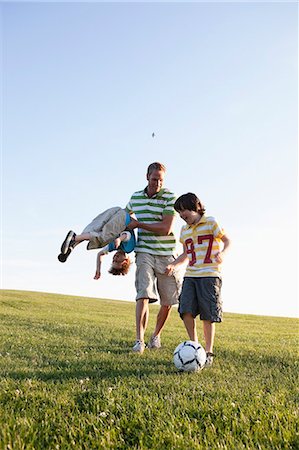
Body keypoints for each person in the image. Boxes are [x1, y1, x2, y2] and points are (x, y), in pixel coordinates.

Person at [165, 192, 230, 367]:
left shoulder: (211, 222)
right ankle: (195, 346)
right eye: (179, 213)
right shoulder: (184, 231)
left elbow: (227, 240)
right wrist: (174, 264)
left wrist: (222, 253)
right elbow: (186, 253)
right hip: (190, 275)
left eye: (183, 211)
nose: (181, 216)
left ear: (195, 207)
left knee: (208, 314)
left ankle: (208, 352)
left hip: (209, 275)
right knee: (185, 309)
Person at [126, 162, 181, 354]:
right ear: (147, 177)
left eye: (160, 180)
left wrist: (139, 224)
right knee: (143, 293)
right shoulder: (135, 198)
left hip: (166, 254)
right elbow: (125, 219)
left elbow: (166, 228)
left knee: (167, 301)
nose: (157, 183)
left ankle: (156, 335)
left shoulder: (169, 197)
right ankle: (139, 341)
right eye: (154, 179)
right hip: (144, 251)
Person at [57, 206, 136, 277]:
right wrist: (119, 239)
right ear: (125, 261)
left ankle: (73, 244)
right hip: (122, 218)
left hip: (115, 212)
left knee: (94, 230)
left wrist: (98, 270)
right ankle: (74, 238)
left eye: (113, 260)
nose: (115, 258)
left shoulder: (113, 247)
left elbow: (100, 254)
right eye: (117, 261)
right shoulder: (128, 249)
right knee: (102, 239)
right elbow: (127, 235)